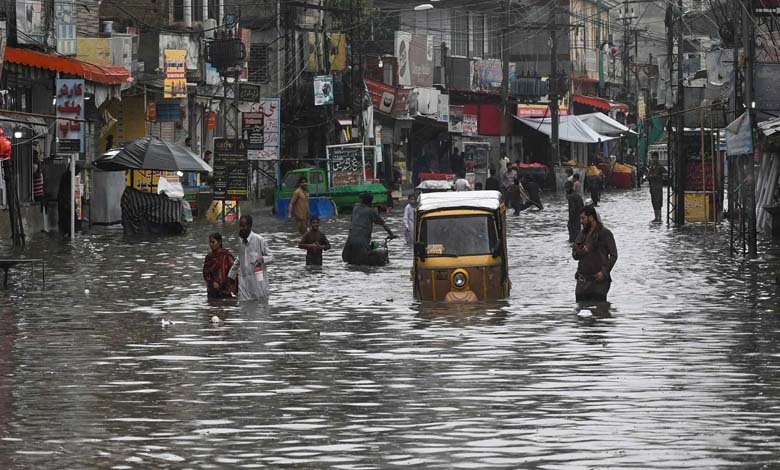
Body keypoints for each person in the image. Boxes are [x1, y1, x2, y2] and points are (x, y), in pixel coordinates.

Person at [572, 206, 618, 302]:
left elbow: (614, 255)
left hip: (598, 283)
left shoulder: (605, 233)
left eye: (583, 218)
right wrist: (583, 251)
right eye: (580, 218)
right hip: (582, 282)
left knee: (599, 312)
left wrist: (604, 272)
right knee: (581, 312)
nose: (581, 221)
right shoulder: (582, 234)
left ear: (591, 217)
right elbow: (575, 255)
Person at [228, 215, 274, 301]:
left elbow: (272, 258)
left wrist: (262, 259)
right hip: (244, 287)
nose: (242, 228)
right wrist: (231, 275)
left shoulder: (259, 240)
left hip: (258, 286)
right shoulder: (240, 240)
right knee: (243, 310)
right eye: (240, 226)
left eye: (244, 226)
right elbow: (240, 258)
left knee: (259, 311)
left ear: (250, 226)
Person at [342, 192, 396, 265]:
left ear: (361, 200)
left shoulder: (355, 208)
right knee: (365, 262)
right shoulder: (371, 211)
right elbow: (384, 224)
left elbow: (352, 222)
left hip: (351, 239)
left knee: (351, 262)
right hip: (362, 241)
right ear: (371, 201)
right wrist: (392, 235)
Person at [203, 233, 237, 298]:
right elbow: (205, 273)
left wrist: (226, 284)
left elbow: (233, 272)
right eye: (210, 242)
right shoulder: (209, 257)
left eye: (213, 242)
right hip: (212, 291)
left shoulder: (226, 256)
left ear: (219, 242)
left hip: (225, 291)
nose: (211, 244)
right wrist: (212, 282)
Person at [646, 152, 666, 222]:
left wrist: (656, 176)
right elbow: (648, 176)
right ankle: (656, 217)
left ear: (657, 158)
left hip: (658, 187)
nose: (654, 159)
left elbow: (665, 171)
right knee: (654, 202)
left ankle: (659, 217)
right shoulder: (651, 167)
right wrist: (649, 176)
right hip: (652, 187)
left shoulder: (659, 166)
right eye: (653, 157)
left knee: (658, 202)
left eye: (655, 157)